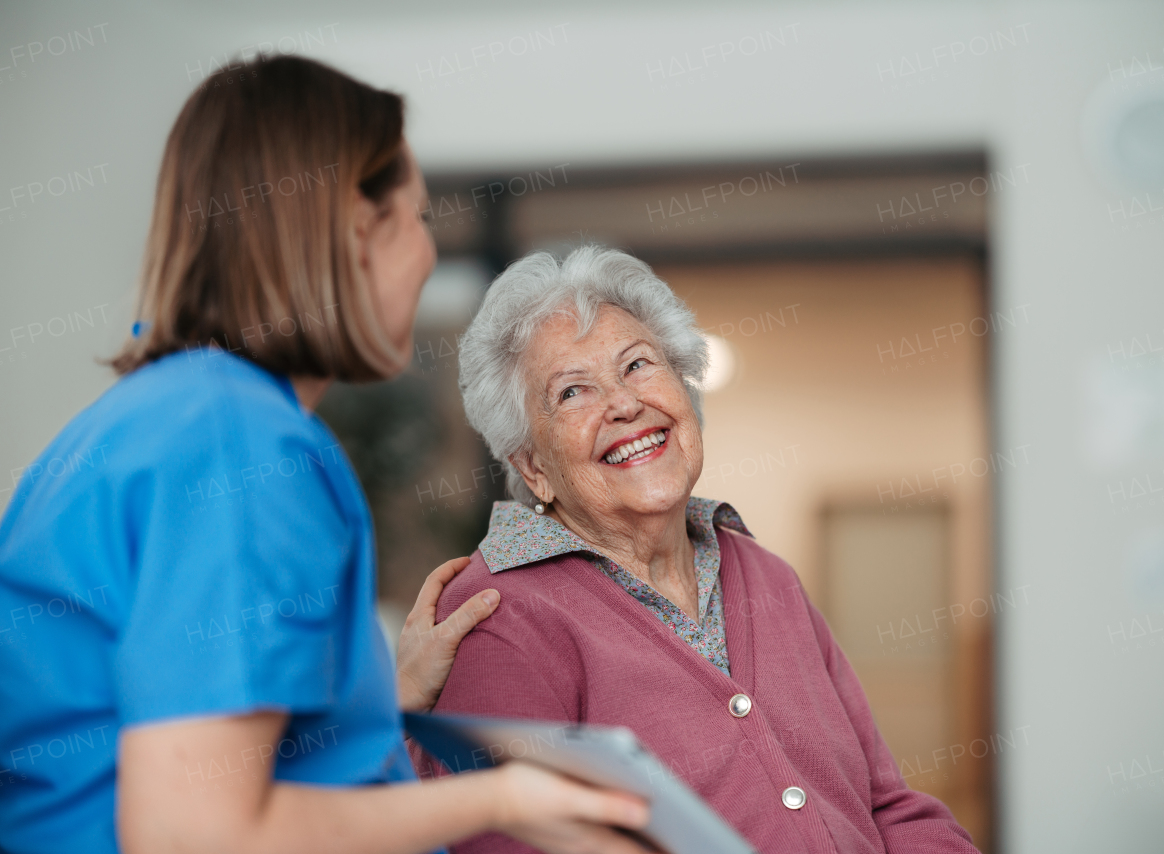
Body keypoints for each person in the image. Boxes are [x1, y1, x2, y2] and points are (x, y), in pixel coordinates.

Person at [0, 57, 651, 854]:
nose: (423, 256)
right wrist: (508, 796)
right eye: (415, 218)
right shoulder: (240, 445)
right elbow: (191, 834)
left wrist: (375, 695)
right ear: (354, 229)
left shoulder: (145, 422)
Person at [418, 246, 981, 853]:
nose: (624, 403)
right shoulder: (497, 615)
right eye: (572, 392)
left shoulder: (767, 576)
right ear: (533, 467)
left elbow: (885, 805)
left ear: (686, 390)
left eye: (637, 365)